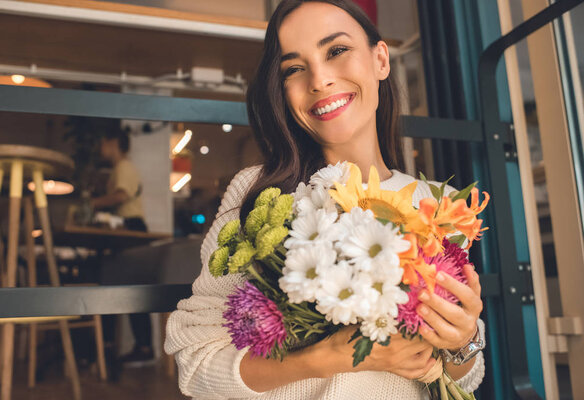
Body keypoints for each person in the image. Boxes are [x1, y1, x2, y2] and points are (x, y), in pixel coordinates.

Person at [165, 1, 485, 398]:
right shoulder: (259, 194)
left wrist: (463, 340)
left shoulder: (440, 206)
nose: (318, 80)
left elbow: (464, 378)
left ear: (380, 60)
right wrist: (329, 356)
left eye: (336, 51)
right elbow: (196, 362)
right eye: (295, 69)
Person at [91, 129, 154, 367]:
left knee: (130, 288)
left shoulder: (123, 167)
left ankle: (139, 346)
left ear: (113, 142)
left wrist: (92, 203)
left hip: (130, 229)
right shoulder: (122, 168)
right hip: (128, 229)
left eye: (103, 142)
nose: (101, 147)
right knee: (128, 287)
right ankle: (137, 346)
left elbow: (121, 195)